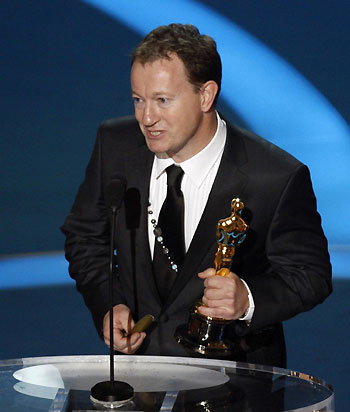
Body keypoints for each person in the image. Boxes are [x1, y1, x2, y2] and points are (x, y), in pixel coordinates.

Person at [61, 23, 332, 367]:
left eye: (162, 100)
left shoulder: (275, 176)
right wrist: (108, 303)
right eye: (138, 100)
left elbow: (310, 274)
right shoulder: (116, 147)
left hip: (237, 382)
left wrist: (247, 300)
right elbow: (85, 236)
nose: (147, 117)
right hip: (141, 376)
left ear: (205, 95)